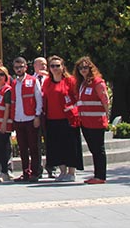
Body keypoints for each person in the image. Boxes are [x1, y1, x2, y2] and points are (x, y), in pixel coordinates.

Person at [42, 55, 84, 182]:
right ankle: (62, 171)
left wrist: (72, 109)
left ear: (63, 67)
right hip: (52, 119)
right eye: (52, 66)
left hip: (68, 119)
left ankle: (71, 172)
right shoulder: (47, 82)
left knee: (70, 146)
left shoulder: (70, 81)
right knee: (57, 146)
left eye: (57, 65)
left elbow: (78, 99)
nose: (55, 68)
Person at [74, 56, 110, 184]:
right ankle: (97, 175)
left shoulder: (97, 82)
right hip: (85, 122)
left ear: (91, 68)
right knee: (93, 149)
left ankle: (100, 176)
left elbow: (105, 101)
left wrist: (108, 117)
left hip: (96, 121)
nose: (83, 70)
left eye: (85, 67)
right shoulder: (82, 83)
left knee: (98, 149)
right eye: (80, 68)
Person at [10, 57, 43, 183]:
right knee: (22, 148)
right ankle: (25, 172)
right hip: (18, 119)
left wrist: (37, 115)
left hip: (30, 118)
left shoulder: (33, 80)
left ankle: (35, 172)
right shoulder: (13, 83)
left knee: (34, 147)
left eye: (21, 67)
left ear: (25, 67)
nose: (19, 69)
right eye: (16, 67)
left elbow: (38, 99)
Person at [33, 56, 54, 178]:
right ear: (34, 66)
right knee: (36, 144)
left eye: (45, 64)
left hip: (49, 115)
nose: (44, 67)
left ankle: (52, 167)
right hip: (35, 115)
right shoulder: (30, 80)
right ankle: (37, 169)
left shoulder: (51, 79)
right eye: (41, 64)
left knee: (50, 142)